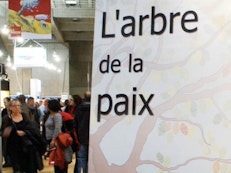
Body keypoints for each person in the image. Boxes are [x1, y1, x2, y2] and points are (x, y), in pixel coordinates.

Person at [1, 99, 44, 173]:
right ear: (10, 107)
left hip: (27, 147)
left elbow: (32, 129)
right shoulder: (7, 119)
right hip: (14, 148)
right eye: (14, 106)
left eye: (18, 105)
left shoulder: (25, 116)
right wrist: (6, 132)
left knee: (30, 168)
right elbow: (2, 132)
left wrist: (25, 132)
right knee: (17, 169)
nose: (17, 107)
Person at [45, 99, 68, 173]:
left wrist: (53, 139)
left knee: (59, 158)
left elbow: (57, 128)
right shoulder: (49, 115)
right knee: (54, 159)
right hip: (51, 140)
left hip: (57, 140)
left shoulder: (57, 115)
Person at [74, 91, 91, 173]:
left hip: (81, 136)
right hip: (92, 137)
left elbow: (75, 123)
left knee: (81, 158)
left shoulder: (79, 108)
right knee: (91, 158)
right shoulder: (95, 108)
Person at [1, 97, 12, 168]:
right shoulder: (4, 111)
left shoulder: (12, 111)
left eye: (5, 102)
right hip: (5, 132)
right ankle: (7, 161)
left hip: (12, 132)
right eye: (4, 102)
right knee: (5, 147)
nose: (4, 104)